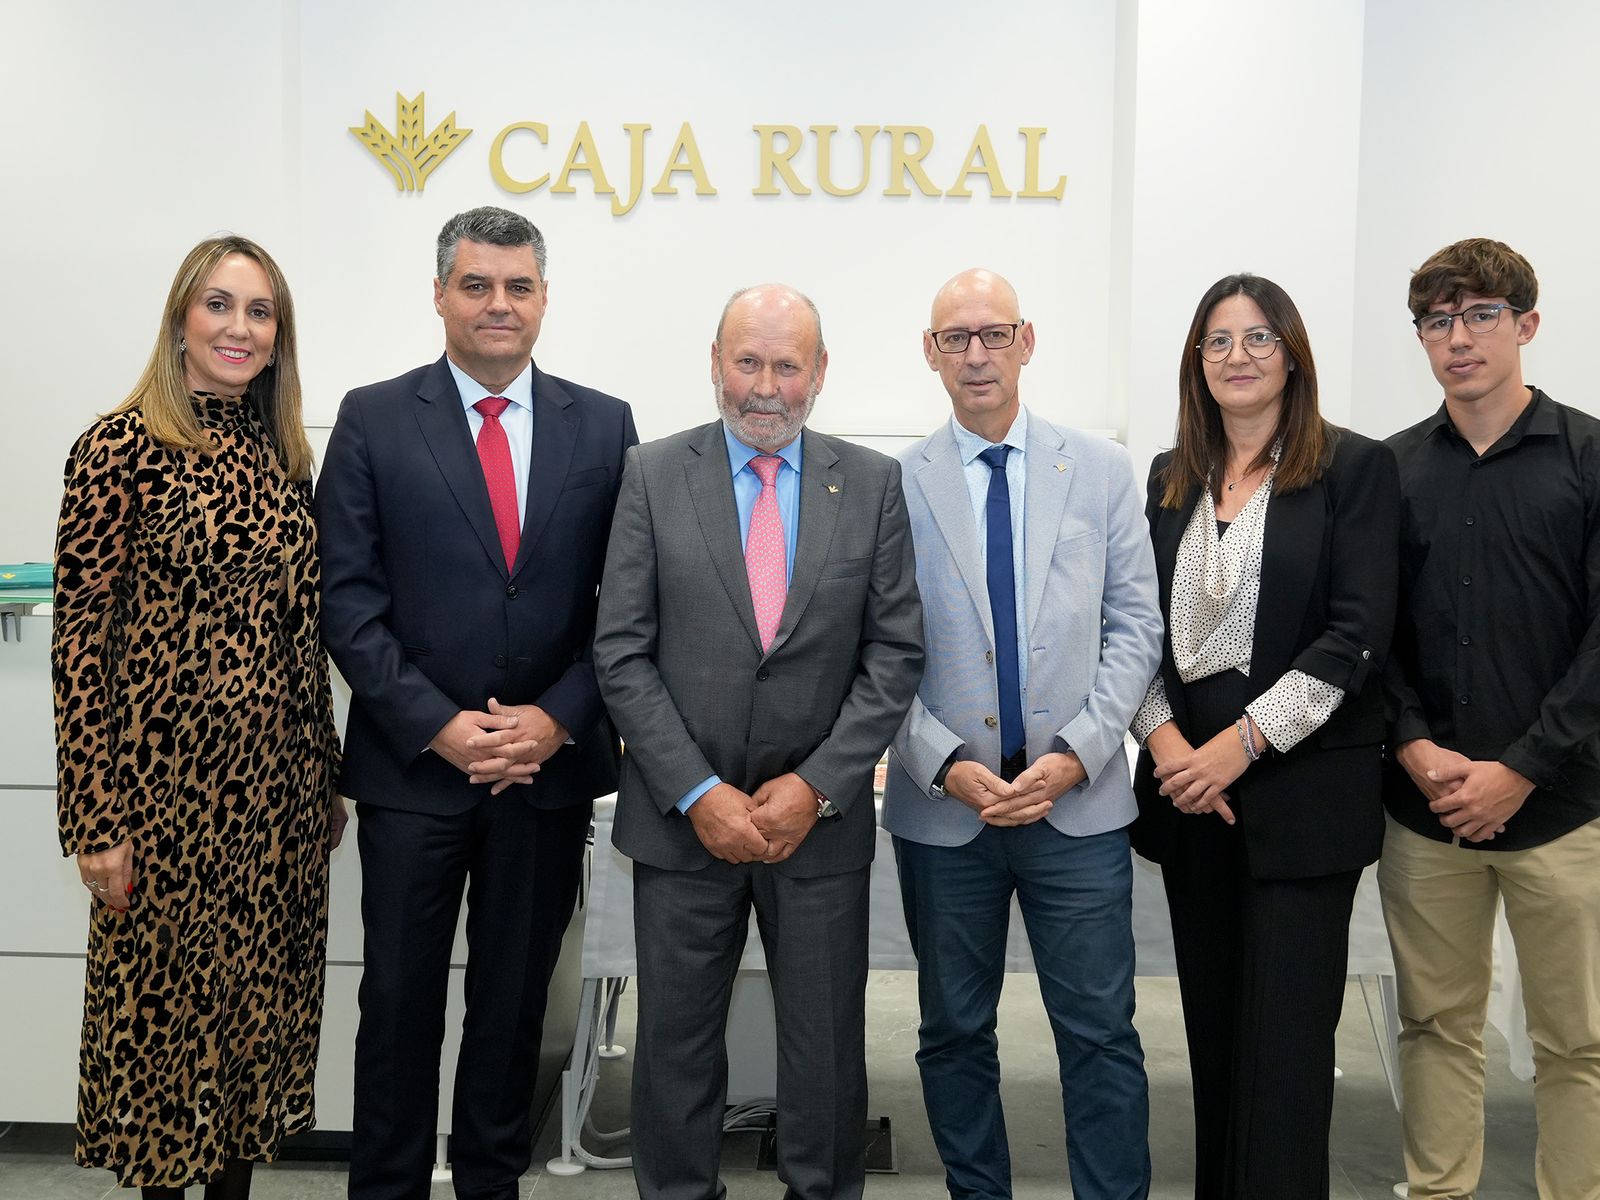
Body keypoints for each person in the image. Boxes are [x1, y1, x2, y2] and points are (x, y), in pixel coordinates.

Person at [316, 206, 637, 1200]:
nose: (498, 305)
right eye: (476, 285)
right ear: (441, 295)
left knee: (510, 1011)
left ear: (543, 297)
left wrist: (555, 717)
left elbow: (623, 607)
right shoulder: (372, 417)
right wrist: (441, 727)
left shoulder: (606, 424)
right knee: (400, 1002)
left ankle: (491, 1185)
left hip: (543, 775)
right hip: (414, 775)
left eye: (518, 286)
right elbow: (346, 600)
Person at [593, 283, 924, 1200]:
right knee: (674, 1053)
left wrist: (814, 786)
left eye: (787, 364)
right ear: (714, 364)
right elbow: (620, 652)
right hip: (680, 823)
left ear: (820, 374)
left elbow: (895, 653)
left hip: (815, 829)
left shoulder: (870, 482)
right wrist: (699, 792)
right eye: (749, 361)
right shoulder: (652, 475)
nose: (766, 386)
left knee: (824, 1058)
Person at [52, 235, 343, 1199]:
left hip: (275, 814)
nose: (239, 328)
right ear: (181, 317)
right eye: (219, 305)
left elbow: (302, 637)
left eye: (260, 312)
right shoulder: (118, 445)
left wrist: (327, 775)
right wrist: (94, 820)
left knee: (249, 1056)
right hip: (163, 815)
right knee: (169, 1060)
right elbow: (79, 649)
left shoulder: (282, 452)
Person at [883, 267, 1163, 1200]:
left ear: (1027, 341)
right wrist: (943, 764)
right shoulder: (896, 488)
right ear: (930, 353)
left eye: (993, 334)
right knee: (955, 1034)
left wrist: (1078, 753)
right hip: (947, 816)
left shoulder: (1101, 470)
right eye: (955, 337)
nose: (976, 355)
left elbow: (1137, 627)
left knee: (1100, 1035)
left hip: (1075, 810)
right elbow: (875, 651)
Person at [1127, 272, 1399, 1199]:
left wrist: (1240, 747)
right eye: (1217, 341)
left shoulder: (1353, 469)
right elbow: (1134, 633)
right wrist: (1168, 750)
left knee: (1284, 1059)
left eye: (1257, 338)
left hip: (1299, 801)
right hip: (1191, 804)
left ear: (1292, 354)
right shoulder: (1170, 478)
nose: (1236, 357)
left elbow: (1354, 634)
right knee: (1212, 1043)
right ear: (1195, 363)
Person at [1380, 238, 1600, 1200]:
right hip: (1427, 808)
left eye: (1480, 316)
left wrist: (1523, 766)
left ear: (1527, 325)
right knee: (1435, 1025)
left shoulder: (1591, 459)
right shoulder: (1385, 471)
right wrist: (1415, 743)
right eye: (1438, 320)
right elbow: (1366, 636)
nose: (1458, 338)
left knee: (1580, 1041)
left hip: (1565, 806)